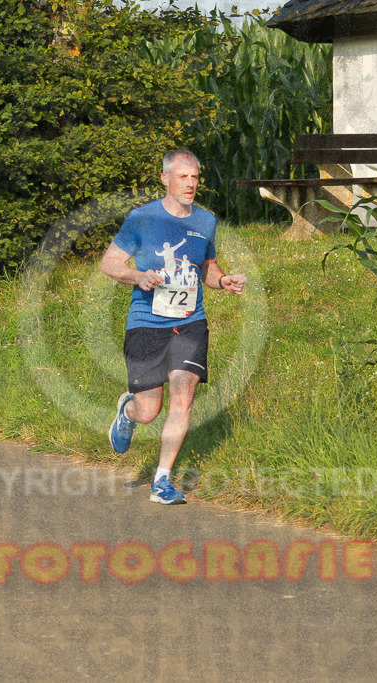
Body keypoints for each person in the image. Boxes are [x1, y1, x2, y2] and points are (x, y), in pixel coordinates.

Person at [100, 150, 247, 505]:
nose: (191, 183)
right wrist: (139, 275)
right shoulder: (141, 218)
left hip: (190, 323)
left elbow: (206, 269)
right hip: (146, 323)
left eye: (195, 177)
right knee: (149, 411)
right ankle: (128, 411)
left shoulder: (206, 221)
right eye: (183, 177)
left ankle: (162, 481)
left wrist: (223, 280)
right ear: (165, 179)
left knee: (183, 399)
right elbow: (110, 263)